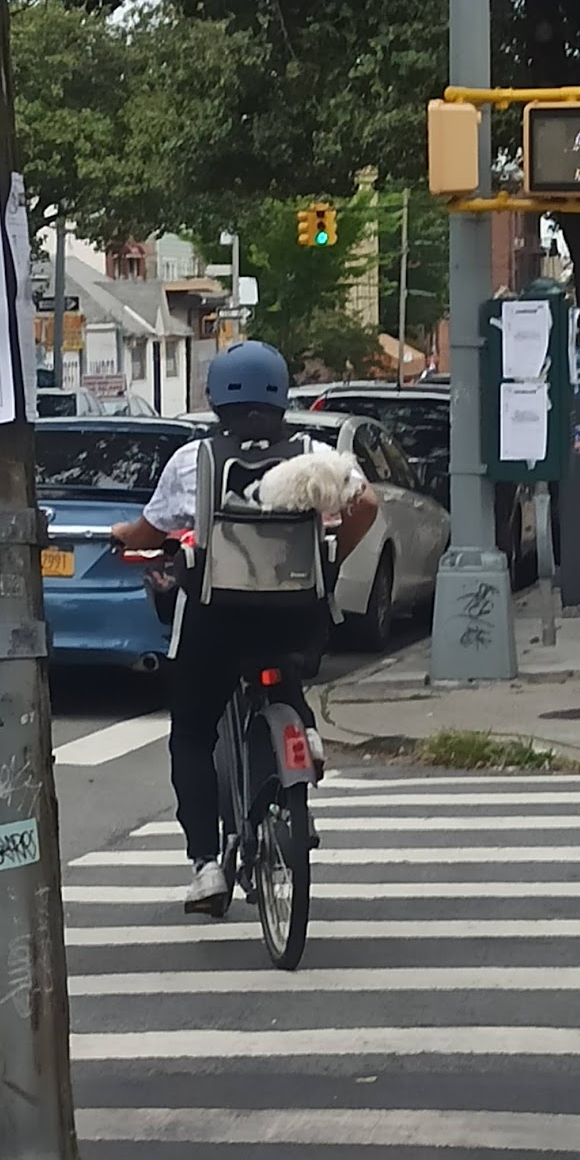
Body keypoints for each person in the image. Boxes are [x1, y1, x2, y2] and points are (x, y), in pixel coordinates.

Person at [109, 341, 380, 913]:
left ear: (214, 399)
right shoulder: (315, 453)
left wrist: (123, 536)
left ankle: (206, 866)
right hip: (293, 617)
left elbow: (150, 532)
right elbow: (368, 505)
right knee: (286, 675)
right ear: (282, 396)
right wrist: (328, 566)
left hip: (215, 619)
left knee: (191, 733)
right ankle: (301, 733)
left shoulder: (194, 460)